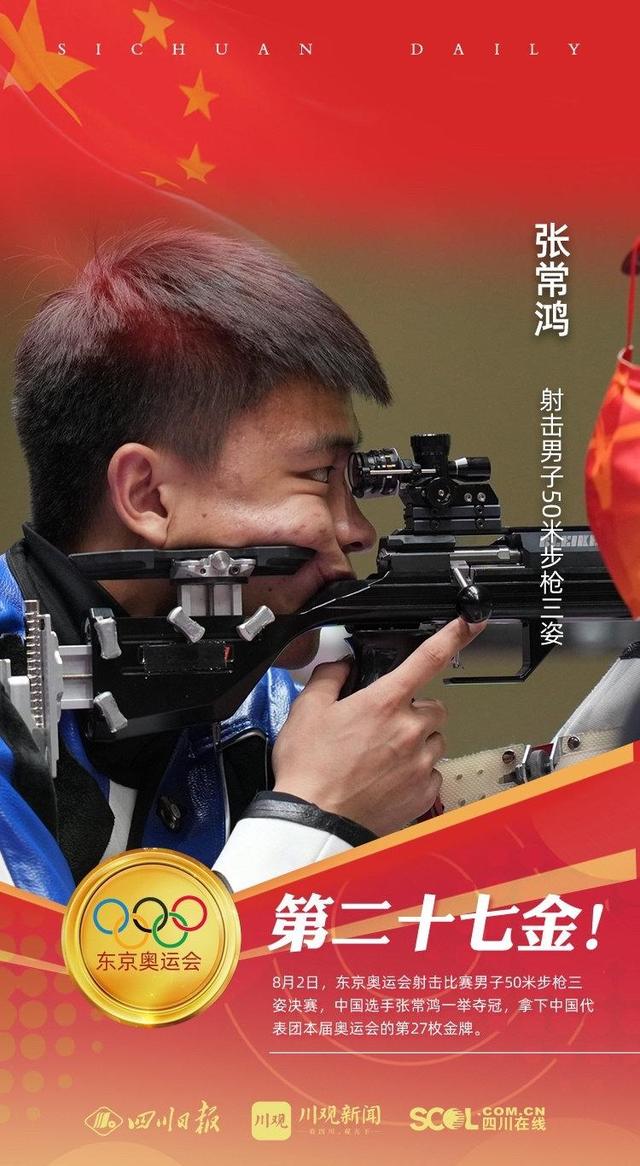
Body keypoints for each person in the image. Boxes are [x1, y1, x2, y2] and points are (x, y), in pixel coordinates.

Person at [0, 227, 482, 903]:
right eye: (318, 476)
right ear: (148, 496)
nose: (357, 530)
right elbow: (52, 977)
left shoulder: (263, 706)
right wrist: (314, 815)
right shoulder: (298, 751)